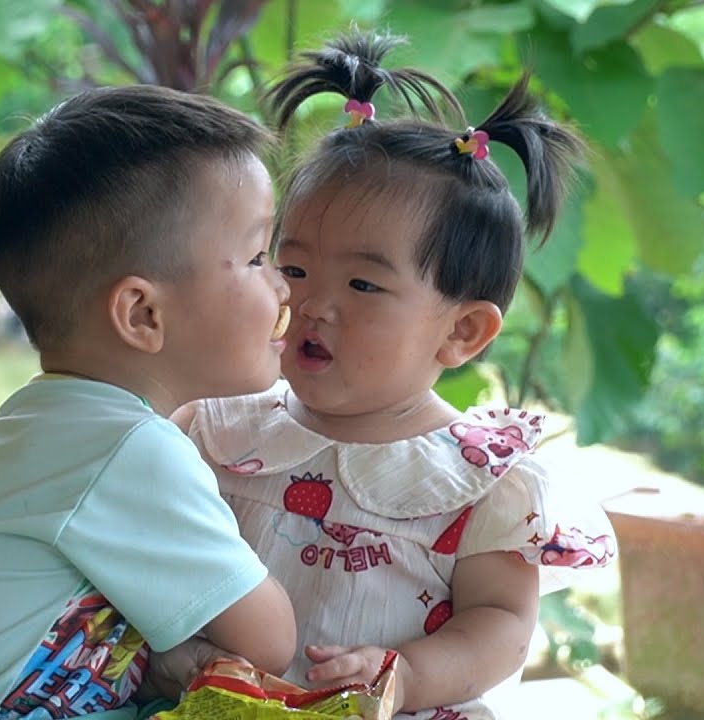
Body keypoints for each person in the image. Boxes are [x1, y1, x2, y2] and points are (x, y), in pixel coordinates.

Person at [171, 32, 618, 720]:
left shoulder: (483, 484)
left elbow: (500, 623)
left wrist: (405, 676)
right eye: (294, 269)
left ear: (462, 332)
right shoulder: (216, 427)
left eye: (362, 284)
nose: (312, 304)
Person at [0, 84, 298, 720]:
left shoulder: (48, 423)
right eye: (258, 257)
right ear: (142, 314)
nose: (282, 285)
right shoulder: (130, 451)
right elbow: (269, 643)